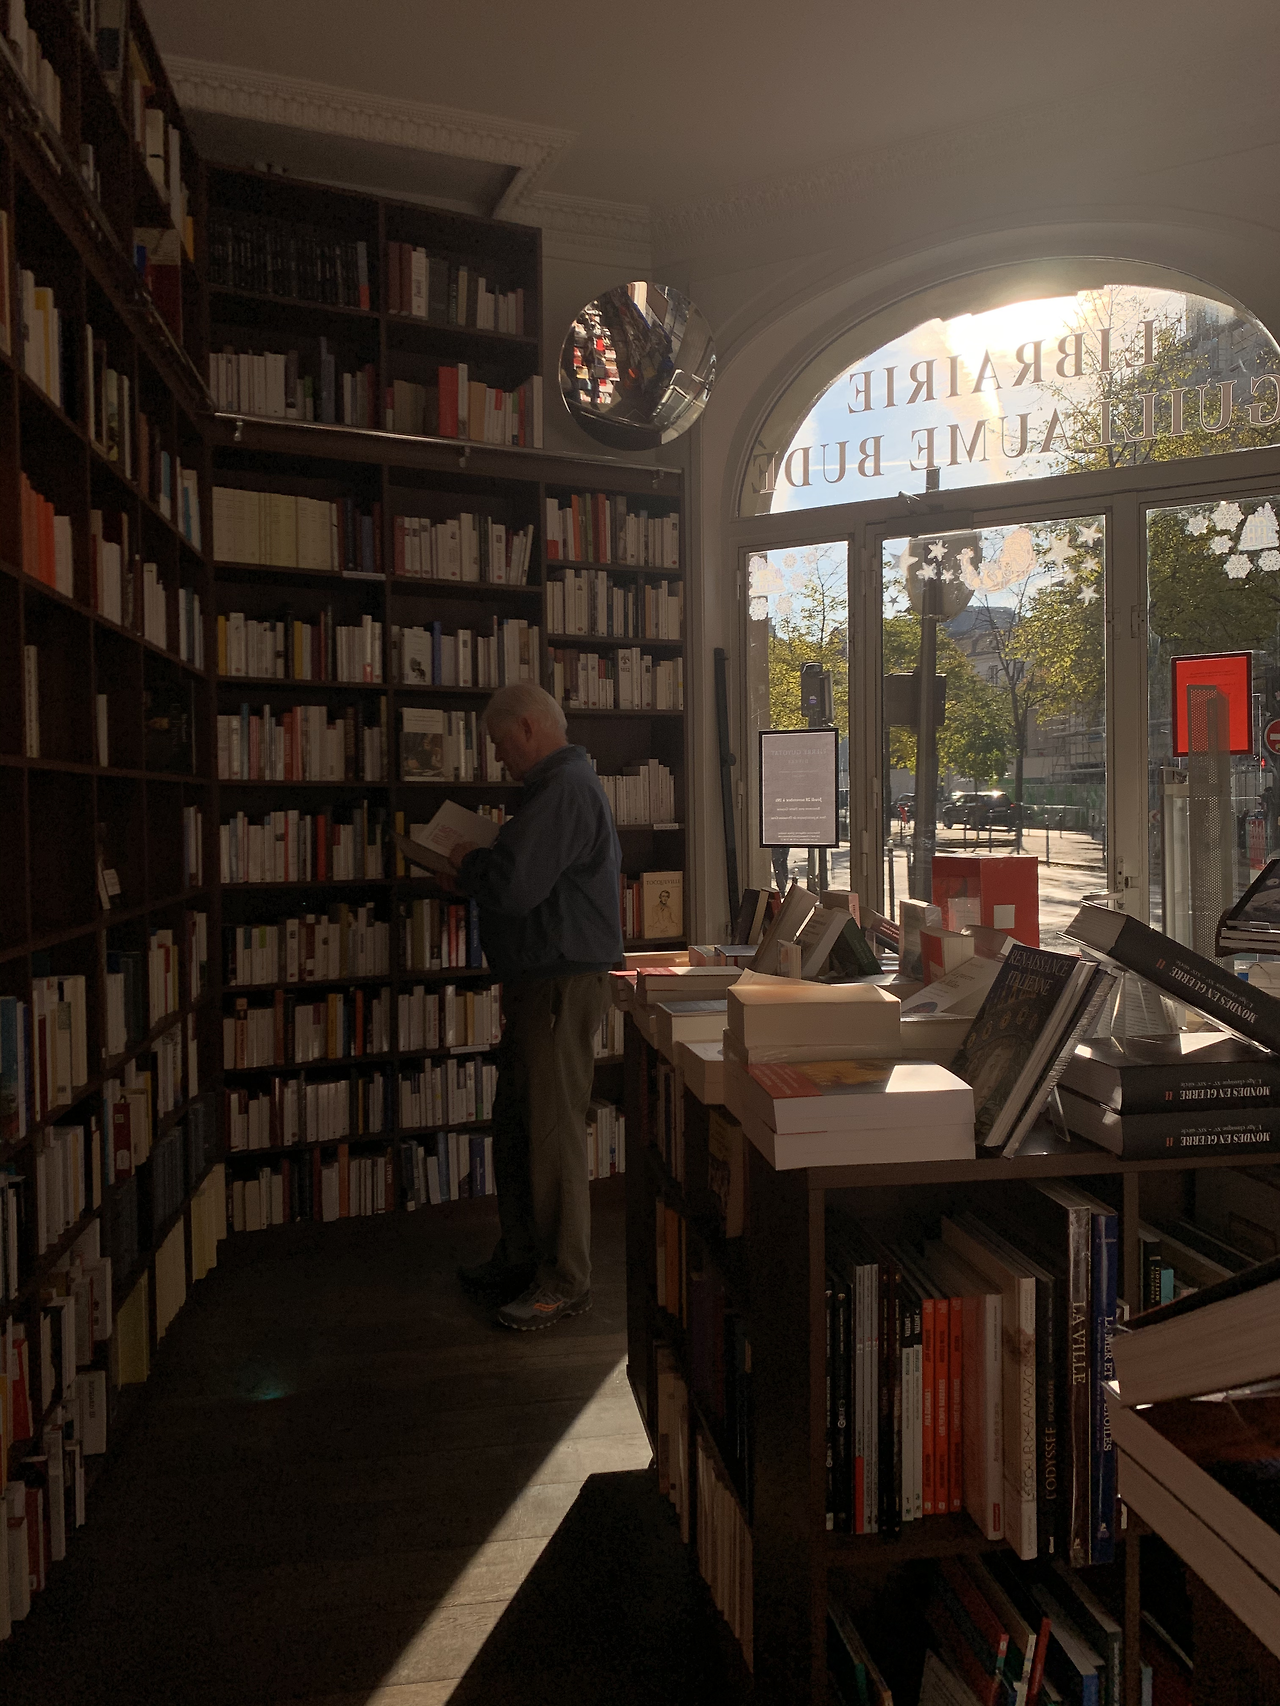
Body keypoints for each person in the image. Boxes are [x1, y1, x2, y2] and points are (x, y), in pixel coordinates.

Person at [447, 683, 623, 1330]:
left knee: (549, 1134)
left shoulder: (563, 790)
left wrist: (468, 862)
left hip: (557, 984)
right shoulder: (559, 789)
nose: (499, 759)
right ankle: (524, 1259)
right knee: (521, 1127)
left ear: (526, 728)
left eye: (500, 744)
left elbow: (515, 885)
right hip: (544, 982)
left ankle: (564, 1281)